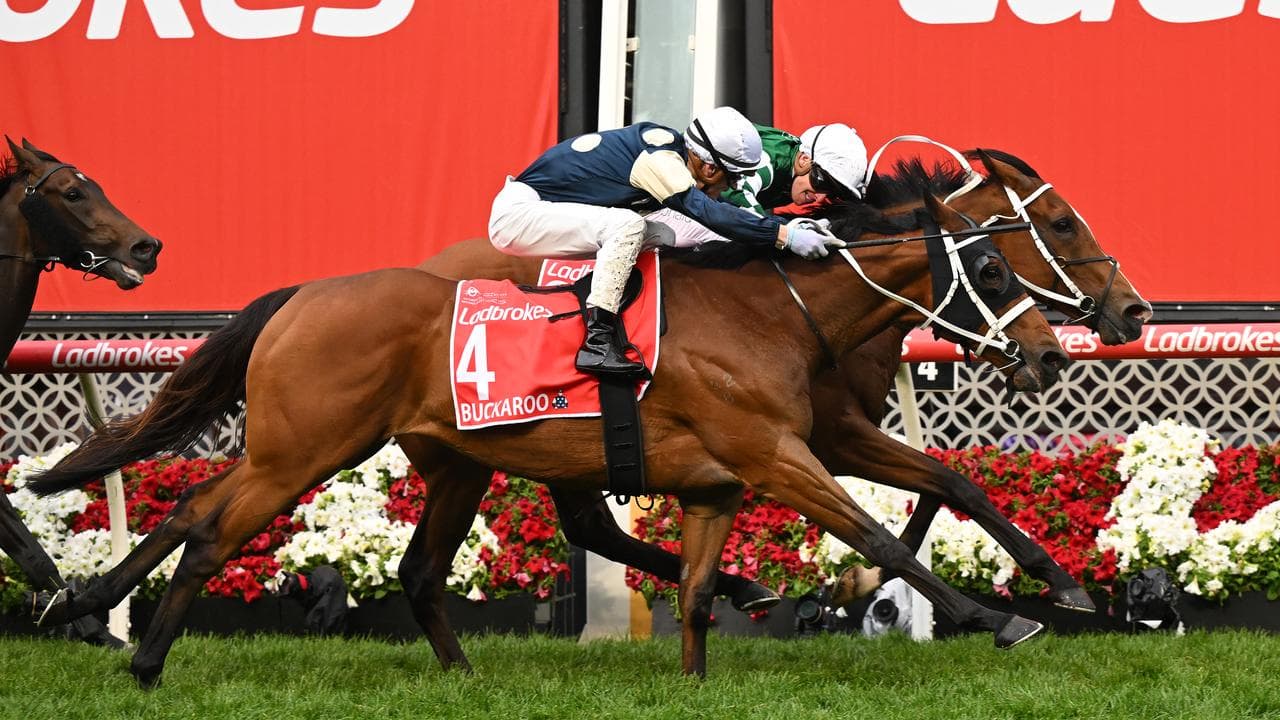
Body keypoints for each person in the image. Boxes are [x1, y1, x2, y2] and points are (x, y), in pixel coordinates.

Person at [488, 106, 841, 378]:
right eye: (731, 180)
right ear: (709, 169)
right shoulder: (660, 160)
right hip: (518, 215)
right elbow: (708, 210)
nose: (732, 189)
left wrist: (796, 225)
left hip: (552, 209)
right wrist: (784, 235)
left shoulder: (675, 153)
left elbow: (714, 224)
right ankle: (597, 341)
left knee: (696, 233)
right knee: (629, 225)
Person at [647, 122, 870, 248]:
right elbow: (737, 194)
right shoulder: (773, 161)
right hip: (655, 196)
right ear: (804, 160)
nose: (819, 197)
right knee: (723, 236)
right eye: (822, 182)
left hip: (684, 199)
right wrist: (787, 233)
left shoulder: (796, 163)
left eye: (832, 192)